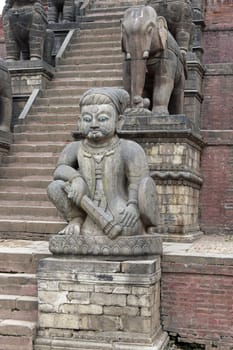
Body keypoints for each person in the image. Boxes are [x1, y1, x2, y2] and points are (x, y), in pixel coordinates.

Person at [47, 87, 158, 239]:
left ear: (119, 121)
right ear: (79, 122)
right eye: (87, 119)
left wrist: (133, 206)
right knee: (55, 187)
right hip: (85, 209)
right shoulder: (75, 148)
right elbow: (60, 169)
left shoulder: (129, 148)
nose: (93, 124)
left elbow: (139, 183)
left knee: (128, 228)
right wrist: (76, 178)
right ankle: (76, 220)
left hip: (118, 211)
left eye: (103, 119)